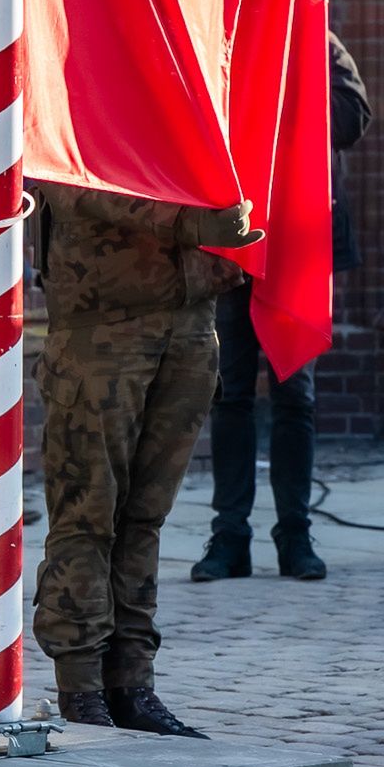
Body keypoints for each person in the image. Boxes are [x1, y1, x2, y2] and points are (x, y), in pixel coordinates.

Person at [32, 181, 259, 736]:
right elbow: (70, 177)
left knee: (144, 518)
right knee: (88, 514)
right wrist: (189, 223)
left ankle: (132, 682)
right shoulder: (77, 94)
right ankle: (82, 687)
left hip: (190, 318)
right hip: (103, 321)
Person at [193, 31, 370, 583]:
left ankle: (295, 534)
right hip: (235, 236)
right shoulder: (219, 29)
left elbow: (351, 119)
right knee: (232, 393)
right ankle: (230, 537)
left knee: (296, 393)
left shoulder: (313, 33)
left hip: (298, 237)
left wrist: (286, 87)